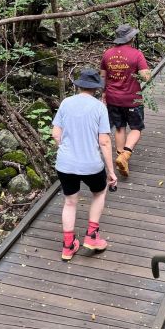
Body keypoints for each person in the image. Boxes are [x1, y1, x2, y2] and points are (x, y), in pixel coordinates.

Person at [52, 68, 118, 261]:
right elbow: (104, 141)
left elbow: (56, 134)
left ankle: (68, 246)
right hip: (91, 164)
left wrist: (67, 149)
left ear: (78, 85)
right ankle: (92, 235)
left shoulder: (66, 103)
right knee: (99, 192)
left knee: (70, 202)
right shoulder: (99, 107)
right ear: (96, 88)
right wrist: (111, 172)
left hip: (65, 164)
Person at [100, 24, 151, 177]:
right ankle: (125, 155)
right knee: (136, 128)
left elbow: (102, 76)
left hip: (112, 97)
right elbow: (146, 76)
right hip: (132, 98)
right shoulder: (137, 54)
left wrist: (104, 93)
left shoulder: (107, 54)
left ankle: (121, 157)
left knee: (120, 127)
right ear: (131, 38)